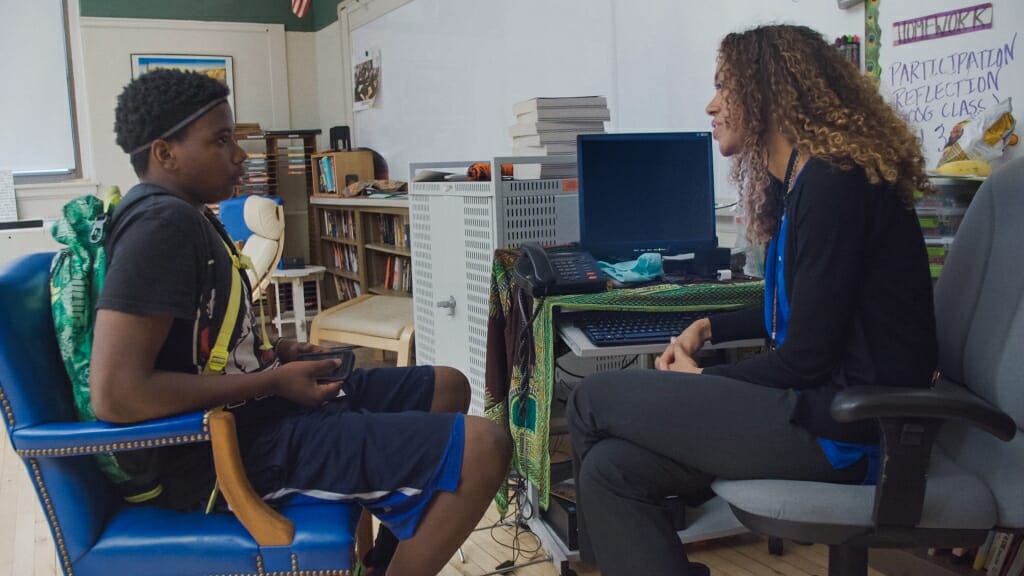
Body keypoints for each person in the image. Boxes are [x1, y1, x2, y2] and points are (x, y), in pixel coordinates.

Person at [91, 68, 511, 576]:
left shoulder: (187, 214)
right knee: (485, 448)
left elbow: (198, 348)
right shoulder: (158, 227)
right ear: (165, 153)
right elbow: (116, 393)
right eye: (222, 140)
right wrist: (271, 381)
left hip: (258, 412)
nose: (240, 156)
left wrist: (275, 357)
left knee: (447, 386)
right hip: (221, 458)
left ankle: (378, 564)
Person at [567, 24, 937, 576]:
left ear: (769, 92)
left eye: (725, 87)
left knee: (590, 401)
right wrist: (706, 326)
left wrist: (702, 387)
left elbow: (805, 357)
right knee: (611, 471)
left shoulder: (836, 185)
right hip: (820, 412)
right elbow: (798, 306)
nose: (711, 104)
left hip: (846, 432)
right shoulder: (810, 182)